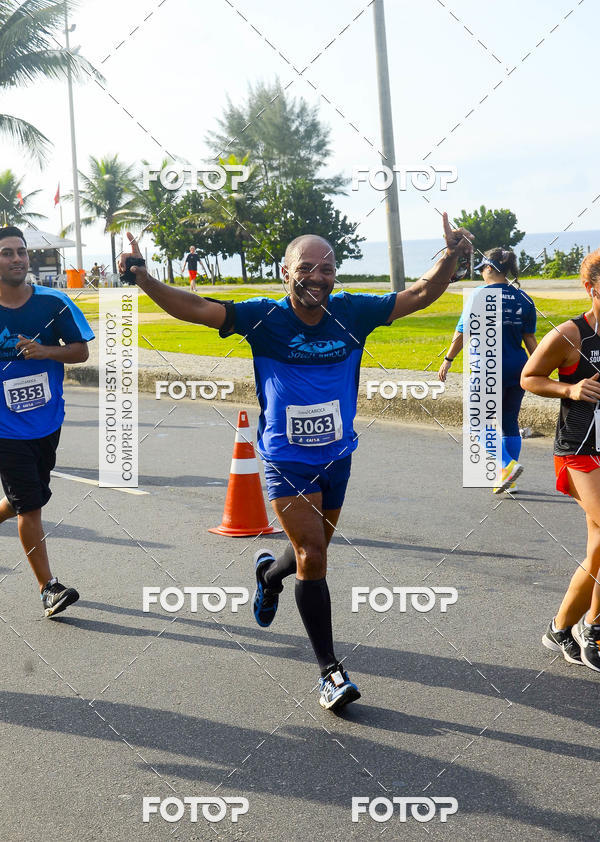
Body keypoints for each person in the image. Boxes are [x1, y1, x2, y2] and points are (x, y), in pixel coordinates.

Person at [119, 214, 473, 711]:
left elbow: (418, 295)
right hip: (285, 457)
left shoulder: (353, 312)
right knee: (312, 551)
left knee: (312, 550)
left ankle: (267, 575)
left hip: (337, 455)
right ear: (286, 272)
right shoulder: (265, 317)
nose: (318, 277)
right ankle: (330, 671)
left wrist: (450, 256)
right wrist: (143, 276)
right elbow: (197, 308)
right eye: (306, 267)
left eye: (327, 269)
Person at [0, 226, 94, 616]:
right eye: (7, 253)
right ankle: (48, 589)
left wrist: (46, 352)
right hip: (4, 430)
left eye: (21, 252)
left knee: (30, 497)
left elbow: (81, 352)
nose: (18, 259)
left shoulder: (54, 302)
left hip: (47, 422)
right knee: (30, 509)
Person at [521, 249, 600, 672]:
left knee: (598, 549)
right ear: (591, 289)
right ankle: (594, 630)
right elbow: (528, 377)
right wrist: (569, 390)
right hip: (579, 452)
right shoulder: (571, 335)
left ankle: (559, 628)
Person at [438, 248, 537, 494]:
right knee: (509, 422)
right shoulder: (524, 298)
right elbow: (531, 340)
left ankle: (506, 465)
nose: (481, 273)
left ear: (490, 268)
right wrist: (539, 369)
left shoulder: (479, 295)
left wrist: (448, 358)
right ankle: (509, 481)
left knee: (476, 425)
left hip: (487, 370)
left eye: (482, 268)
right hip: (518, 369)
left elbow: (463, 332)